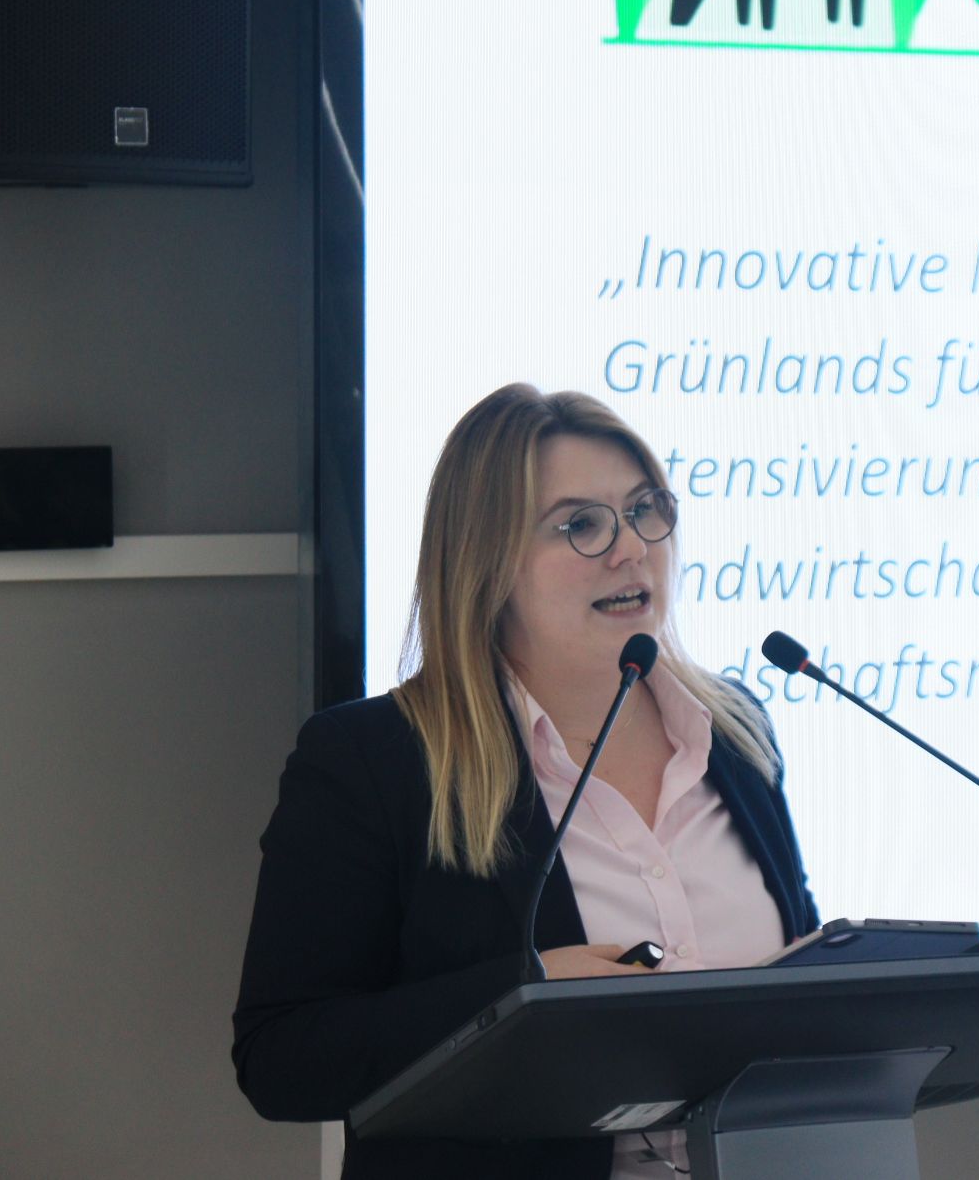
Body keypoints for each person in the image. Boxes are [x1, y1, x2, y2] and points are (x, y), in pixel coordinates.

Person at [232, 383, 820, 1179]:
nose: (631, 548)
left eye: (645, 510)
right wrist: (522, 992)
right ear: (487, 562)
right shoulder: (374, 761)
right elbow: (281, 1057)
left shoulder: (736, 730)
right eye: (581, 525)